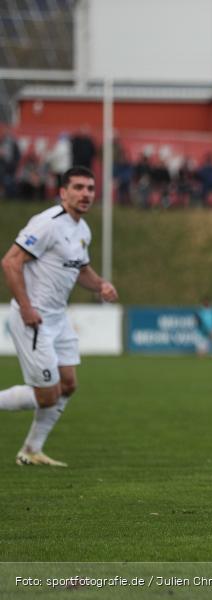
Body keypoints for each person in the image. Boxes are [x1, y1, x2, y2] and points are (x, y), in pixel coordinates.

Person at [0, 167, 118, 466]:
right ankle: (29, 448)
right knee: (48, 396)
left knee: (68, 384)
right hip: (34, 318)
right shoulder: (47, 223)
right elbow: (10, 262)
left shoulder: (82, 230)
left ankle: (31, 451)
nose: (86, 194)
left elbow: (81, 269)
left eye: (90, 188)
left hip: (58, 318)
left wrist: (101, 284)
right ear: (63, 192)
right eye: (78, 187)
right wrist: (26, 307)